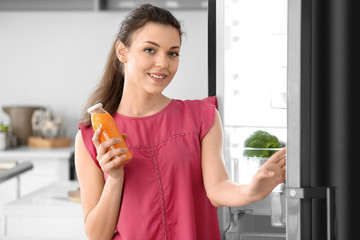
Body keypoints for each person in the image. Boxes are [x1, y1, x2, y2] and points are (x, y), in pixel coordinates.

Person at [75, 4, 287, 240]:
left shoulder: (201, 117)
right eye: (150, 50)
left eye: (172, 53)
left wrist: (252, 190)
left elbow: (217, 189)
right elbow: (97, 235)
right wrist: (115, 178)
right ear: (122, 51)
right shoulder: (92, 135)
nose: (163, 63)